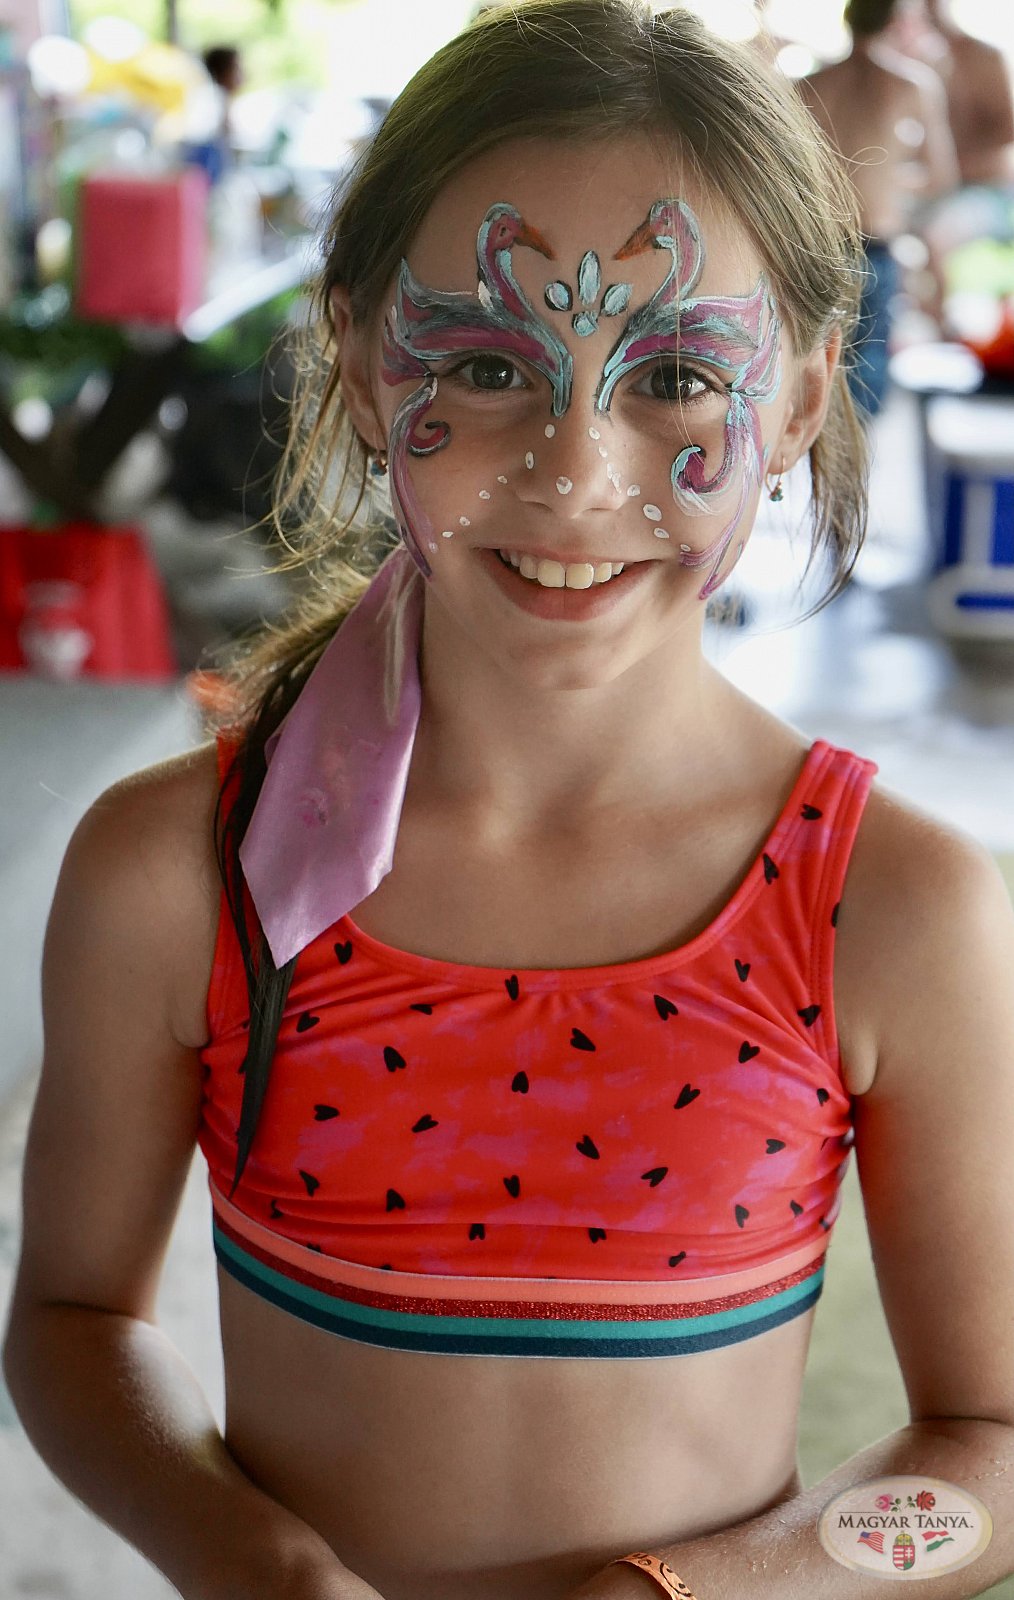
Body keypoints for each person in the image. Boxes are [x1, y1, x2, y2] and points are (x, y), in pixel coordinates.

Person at [4, 4, 1014, 1600]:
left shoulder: (894, 910)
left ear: (804, 399)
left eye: (675, 374)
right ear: (357, 360)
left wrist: (693, 1592)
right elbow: (70, 1326)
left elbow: (990, 1452)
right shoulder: (176, 874)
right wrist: (249, 1556)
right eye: (483, 365)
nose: (573, 473)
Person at [798, 0, 959, 417]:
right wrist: (889, 179)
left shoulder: (808, 85)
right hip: (874, 243)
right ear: (893, 21)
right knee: (867, 372)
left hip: (817, 245)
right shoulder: (911, 84)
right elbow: (942, 176)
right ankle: (857, 455)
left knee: (812, 363)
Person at [901, 0, 1014, 188]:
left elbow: (1008, 134)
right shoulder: (912, 62)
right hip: (940, 187)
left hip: (988, 184)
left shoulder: (988, 57)